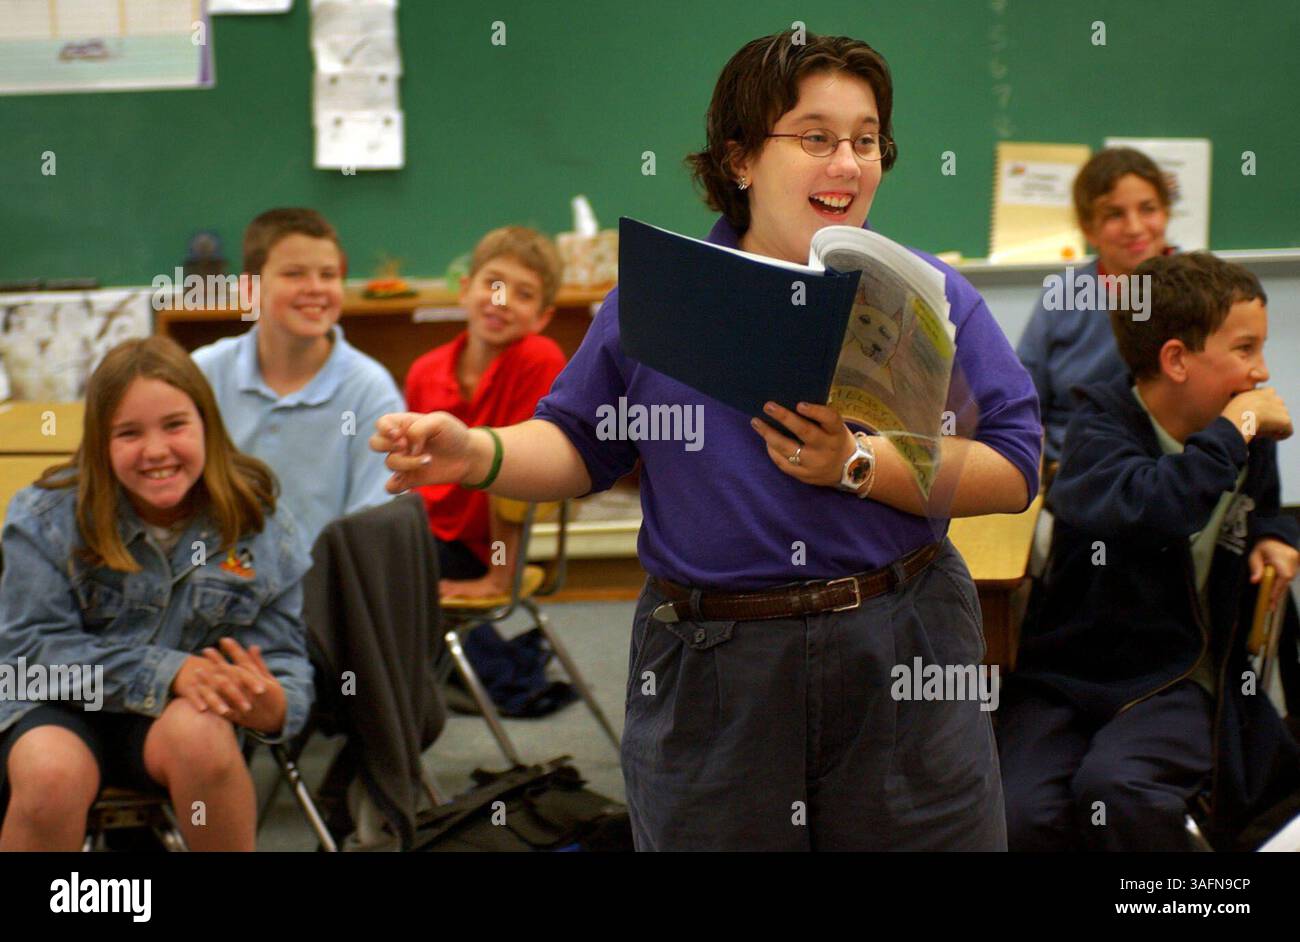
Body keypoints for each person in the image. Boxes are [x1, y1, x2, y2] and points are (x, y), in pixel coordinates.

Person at [372, 30, 1041, 850]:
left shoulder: (931, 300)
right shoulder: (662, 299)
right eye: (816, 137)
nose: (849, 163)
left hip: (899, 636)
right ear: (740, 160)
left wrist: (859, 464)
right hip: (716, 659)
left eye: (867, 141)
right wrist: (476, 452)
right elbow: (580, 443)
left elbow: (1012, 467)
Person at [999, 253, 1300, 851]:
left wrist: (1275, 535)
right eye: (1245, 350)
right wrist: (1231, 432)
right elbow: (1152, 509)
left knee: (1119, 791)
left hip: (1181, 674)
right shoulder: (1097, 429)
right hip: (1070, 675)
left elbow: (1263, 504)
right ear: (1176, 359)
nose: (1261, 372)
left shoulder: (1241, 435)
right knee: (1019, 811)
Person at [0, 336, 313, 851]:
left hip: (177, 724)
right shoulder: (45, 517)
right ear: (101, 444)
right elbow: (31, 655)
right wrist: (170, 672)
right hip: (57, 708)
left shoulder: (258, 522)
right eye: (128, 433)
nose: (156, 451)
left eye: (175, 425)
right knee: (49, 774)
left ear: (206, 425)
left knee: (205, 738)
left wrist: (275, 705)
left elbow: (281, 659)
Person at [193, 208, 403, 550]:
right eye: (294, 274)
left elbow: (372, 525)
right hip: (217, 582)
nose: (315, 289)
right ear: (250, 289)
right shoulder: (203, 374)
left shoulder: (370, 391)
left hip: (321, 590)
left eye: (329, 274)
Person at [403, 226, 566, 599]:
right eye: (493, 283)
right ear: (464, 289)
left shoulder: (537, 358)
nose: (502, 300)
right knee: (349, 549)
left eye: (524, 294)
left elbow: (516, 479)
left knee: (366, 574)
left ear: (543, 317)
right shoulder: (424, 371)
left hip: (477, 551)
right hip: (425, 532)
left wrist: (498, 580)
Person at [1017, 148, 1173, 466]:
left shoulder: (1202, 290)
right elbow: (1022, 401)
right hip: (1077, 474)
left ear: (1166, 213)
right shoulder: (1061, 297)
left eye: (1148, 209)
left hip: (1174, 470)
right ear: (1088, 229)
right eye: (1115, 214)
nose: (1135, 227)